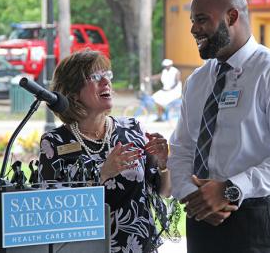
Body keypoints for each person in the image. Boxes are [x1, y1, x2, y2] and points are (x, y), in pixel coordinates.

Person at [168, 0, 270, 253]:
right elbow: (182, 147)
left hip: (257, 218)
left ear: (232, 17)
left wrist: (229, 189)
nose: (193, 29)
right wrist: (191, 194)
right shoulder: (198, 81)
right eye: (192, 21)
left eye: (201, 20)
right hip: (202, 216)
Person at [38, 50, 176, 253]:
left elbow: (164, 192)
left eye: (107, 75)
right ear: (73, 92)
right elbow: (52, 210)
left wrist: (164, 164)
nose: (106, 82)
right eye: (95, 77)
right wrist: (103, 173)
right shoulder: (55, 142)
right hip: (87, 248)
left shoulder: (132, 129)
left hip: (138, 246)